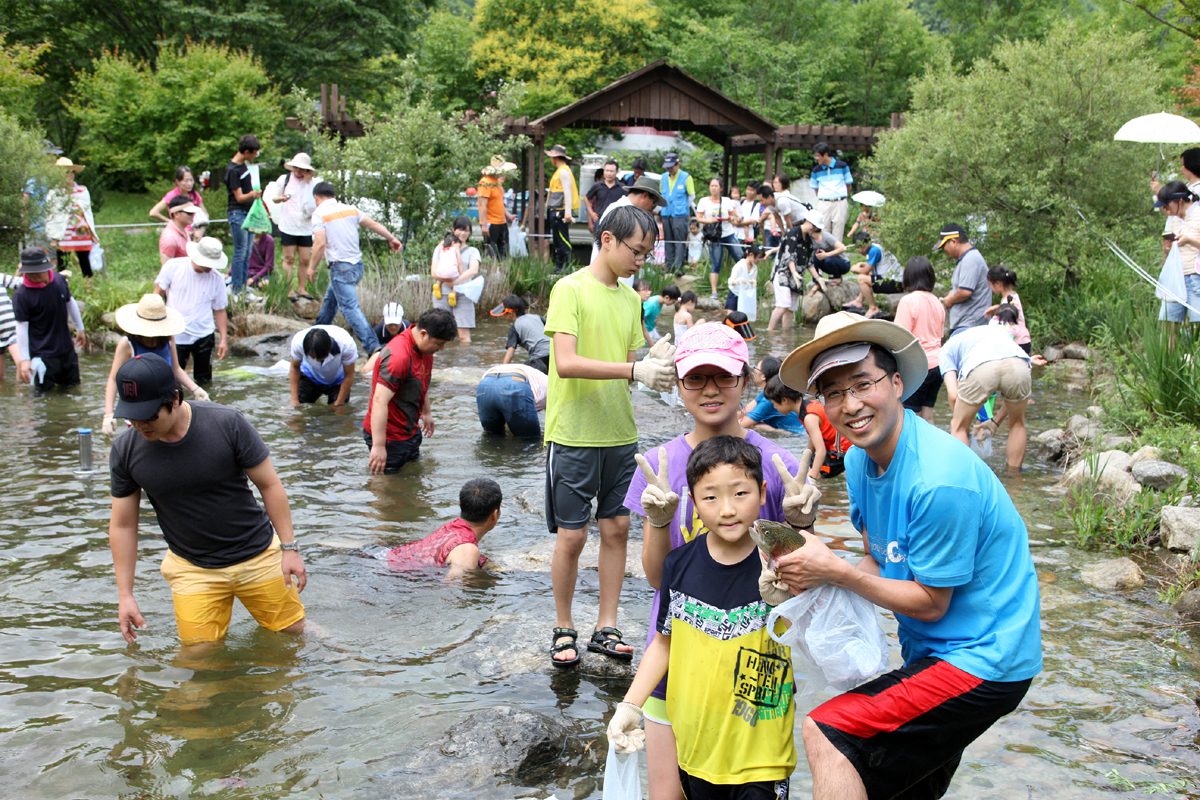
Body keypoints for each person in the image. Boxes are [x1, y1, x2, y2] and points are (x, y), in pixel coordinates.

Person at [773, 311, 1041, 800]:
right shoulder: (858, 461)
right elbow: (880, 559)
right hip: (935, 654)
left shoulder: (939, 480)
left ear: (896, 384)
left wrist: (837, 571)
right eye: (833, 392)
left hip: (983, 659)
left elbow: (932, 602)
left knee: (829, 733)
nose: (850, 405)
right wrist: (815, 574)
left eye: (862, 384)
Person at [609, 435, 802, 799]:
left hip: (762, 755)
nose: (727, 509)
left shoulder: (781, 559)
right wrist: (631, 704)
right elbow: (663, 644)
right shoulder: (678, 564)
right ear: (693, 503)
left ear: (763, 493)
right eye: (711, 497)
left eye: (740, 493)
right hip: (695, 751)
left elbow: (813, 630)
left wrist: (789, 598)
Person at [543, 205, 677, 669]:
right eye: (636, 251)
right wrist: (635, 368)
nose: (641, 261)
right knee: (572, 537)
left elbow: (625, 371)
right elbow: (566, 362)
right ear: (606, 240)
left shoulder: (630, 299)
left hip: (619, 432)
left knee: (618, 528)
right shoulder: (569, 289)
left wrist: (652, 363)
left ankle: (606, 625)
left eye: (646, 253)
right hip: (574, 433)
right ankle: (564, 627)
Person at [108, 353, 307, 645]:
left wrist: (289, 548)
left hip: (257, 553)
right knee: (199, 659)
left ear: (174, 399)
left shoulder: (227, 424)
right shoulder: (126, 451)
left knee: (294, 635)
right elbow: (123, 526)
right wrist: (125, 595)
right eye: (131, 416)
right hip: (192, 566)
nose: (140, 425)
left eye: (149, 415)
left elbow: (270, 485)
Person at [310, 182, 404, 356]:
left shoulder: (319, 214)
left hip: (340, 268)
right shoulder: (350, 209)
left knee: (350, 309)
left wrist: (311, 267)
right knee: (331, 301)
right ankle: (315, 334)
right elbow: (374, 224)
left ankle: (372, 347)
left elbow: (320, 243)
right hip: (357, 267)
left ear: (316, 197)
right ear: (333, 195)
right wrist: (392, 238)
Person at [364, 308, 457, 474]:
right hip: (389, 437)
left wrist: (426, 413)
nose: (441, 348)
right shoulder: (399, 357)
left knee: (412, 478)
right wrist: (379, 446)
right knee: (387, 486)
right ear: (423, 333)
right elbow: (379, 401)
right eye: (439, 343)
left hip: (409, 430)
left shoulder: (425, 349)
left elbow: (423, 381)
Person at [102, 294, 208, 435]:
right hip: (140, 407)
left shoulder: (168, 339)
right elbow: (113, 379)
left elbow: (175, 369)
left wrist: (195, 389)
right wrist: (108, 414)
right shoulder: (127, 345)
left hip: (167, 406)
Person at [939, 322, 1033, 472]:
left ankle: (965, 479)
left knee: (958, 427)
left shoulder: (947, 349)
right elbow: (1011, 401)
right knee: (1017, 424)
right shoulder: (994, 331)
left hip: (981, 366)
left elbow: (953, 396)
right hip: (1018, 363)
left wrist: (963, 424)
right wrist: (995, 422)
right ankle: (1014, 480)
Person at [370, 478, 501, 576]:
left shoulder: (451, 527)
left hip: (377, 556)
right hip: (382, 572)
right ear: (494, 515)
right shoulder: (467, 549)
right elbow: (455, 589)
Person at [153, 237, 229, 386]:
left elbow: (220, 310)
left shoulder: (217, 278)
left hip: (204, 334)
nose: (210, 267)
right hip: (175, 334)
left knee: (204, 380)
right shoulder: (174, 266)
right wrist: (155, 323)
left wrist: (224, 339)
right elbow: (157, 294)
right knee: (172, 379)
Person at [12, 247, 85, 390]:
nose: (33, 276)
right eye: (30, 272)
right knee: (43, 398)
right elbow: (21, 328)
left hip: (66, 350)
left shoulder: (59, 280)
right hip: (41, 356)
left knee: (72, 389)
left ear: (47, 268)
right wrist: (25, 359)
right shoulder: (22, 295)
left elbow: (70, 302)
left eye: (37, 272)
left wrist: (80, 328)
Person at [763, 375, 850, 478]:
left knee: (814, 475)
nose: (774, 407)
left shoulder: (809, 417)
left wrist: (812, 476)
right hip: (834, 448)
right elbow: (812, 438)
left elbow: (821, 451)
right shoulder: (808, 406)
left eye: (774, 403)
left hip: (840, 452)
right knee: (806, 469)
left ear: (785, 400)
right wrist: (807, 460)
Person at [893, 256, 945, 422]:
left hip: (919, 366)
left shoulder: (908, 301)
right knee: (927, 414)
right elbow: (940, 336)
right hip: (939, 363)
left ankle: (910, 448)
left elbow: (899, 339)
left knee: (909, 417)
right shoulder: (937, 302)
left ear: (908, 277)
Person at [265, 152, 318, 299]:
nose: (298, 171)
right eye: (296, 167)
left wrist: (308, 181)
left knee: (305, 259)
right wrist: (280, 199)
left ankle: (302, 288)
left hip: (306, 226)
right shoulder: (285, 179)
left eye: (302, 168)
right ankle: (289, 289)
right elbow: (274, 198)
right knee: (289, 258)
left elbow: (315, 201)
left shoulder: (313, 182)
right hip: (288, 225)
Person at [590, 174, 667, 267]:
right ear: (645, 196)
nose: (652, 207)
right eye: (653, 202)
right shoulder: (621, 211)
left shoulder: (625, 209)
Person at [45, 157, 99, 278]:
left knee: (85, 262)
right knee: (62, 264)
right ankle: (62, 290)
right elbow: (52, 214)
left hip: (81, 232)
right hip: (62, 233)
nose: (69, 175)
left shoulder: (82, 190)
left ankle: (89, 290)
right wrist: (53, 236)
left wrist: (93, 233)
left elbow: (85, 210)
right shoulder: (54, 192)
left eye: (71, 172)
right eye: (65, 172)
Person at [934, 222, 990, 335]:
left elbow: (965, 291)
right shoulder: (966, 259)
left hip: (969, 327)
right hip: (965, 326)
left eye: (945, 245)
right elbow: (959, 289)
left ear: (954, 241)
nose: (944, 250)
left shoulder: (970, 260)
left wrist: (949, 300)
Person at [432, 217, 482, 344]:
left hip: (463, 295)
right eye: (460, 230)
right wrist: (446, 281)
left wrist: (453, 283)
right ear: (453, 230)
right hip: (442, 294)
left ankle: (462, 362)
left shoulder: (472, 251)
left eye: (466, 230)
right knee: (439, 334)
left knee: (464, 337)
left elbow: (473, 271)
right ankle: (443, 362)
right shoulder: (440, 247)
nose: (463, 233)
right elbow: (433, 271)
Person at [1156, 181, 1200, 324]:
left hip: (1195, 277)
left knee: (1196, 323)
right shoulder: (1174, 221)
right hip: (1176, 277)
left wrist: (1190, 241)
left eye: (1167, 205)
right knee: (1168, 322)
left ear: (1180, 200)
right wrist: (1167, 250)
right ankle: (1167, 348)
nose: (1165, 209)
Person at [224, 134, 263, 292]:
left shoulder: (244, 167)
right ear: (246, 151)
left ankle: (242, 285)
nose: (255, 156)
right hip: (238, 213)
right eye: (255, 153)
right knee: (240, 252)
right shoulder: (233, 170)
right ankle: (236, 288)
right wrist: (253, 194)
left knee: (247, 251)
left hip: (249, 213)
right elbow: (239, 197)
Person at [289, 325, 357, 407]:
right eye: (313, 357)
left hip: (338, 380)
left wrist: (338, 403)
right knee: (298, 408)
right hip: (310, 376)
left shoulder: (346, 344)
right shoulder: (298, 343)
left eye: (321, 358)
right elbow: (294, 368)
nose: (317, 360)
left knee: (338, 413)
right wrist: (294, 400)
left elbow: (349, 375)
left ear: (329, 349)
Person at [697, 177, 744, 297]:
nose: (713, 188)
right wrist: (711, 220)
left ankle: (742, 285)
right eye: (711, 185)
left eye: (716, 186)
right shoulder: (703, 201)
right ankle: (714, 291)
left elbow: (735, 217)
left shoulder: (727, 201)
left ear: (721, 188)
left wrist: (730, 218)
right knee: (716, 263)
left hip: (728, 233)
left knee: (741, 258)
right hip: (714, 236)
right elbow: (699, 218)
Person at [476, 362, 548, 439]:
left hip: (486, 381)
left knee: (492, 436)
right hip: (515, 383)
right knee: (530, 440)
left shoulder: (530, 373)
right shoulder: (548, 381)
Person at [739, 356, 805, 434]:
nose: (753, 371)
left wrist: (759, 425)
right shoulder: (766, 393)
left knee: (754, 425)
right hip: (799, 430)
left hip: (797, 435)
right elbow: (743, 412)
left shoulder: (769, 400)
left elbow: (742, 424)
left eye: (756, 368)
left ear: (763, 376)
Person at [845, 232, 902, 318]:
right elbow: (870, 267)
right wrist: (862, 264)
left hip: (894, 283)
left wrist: (855, 268)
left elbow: (865, 271)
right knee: (868, 276)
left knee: (861, 279)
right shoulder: (873, 248)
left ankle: (873, 308)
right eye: (858, 247)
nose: (860, 250)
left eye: (861, 247)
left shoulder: (875, 250)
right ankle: (859, 301)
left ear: (867, 243)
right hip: (889, 280)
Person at [491, 294, 550, 373]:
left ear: (510, 314)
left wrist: (501, 372)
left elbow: (509, 354)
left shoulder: (515, 328)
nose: (504, 317)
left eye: (504, 314)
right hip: (555, 354)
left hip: (539, 359)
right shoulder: (537, 317)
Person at [659, 153, 696, 275]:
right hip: (666, 213)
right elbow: (661, 194)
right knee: (668, 240)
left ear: (678, 165)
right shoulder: (663, 177)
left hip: (680, 214)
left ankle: (679, 267)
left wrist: (683, 207)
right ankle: (669, 266)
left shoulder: (686, 177)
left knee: (679, 241)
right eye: (667, 167)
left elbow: (691, 196)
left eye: (671, 166)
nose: (669, 169)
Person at [799, 210, 851, 293]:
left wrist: (826, 254)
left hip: (843, 264)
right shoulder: (809, 238)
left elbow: (843, 248)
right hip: (828, 265)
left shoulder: (826, 236)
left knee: (828, 259)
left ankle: (837, 277)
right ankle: (817, 281)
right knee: (813, 259)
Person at [810, 142, 854, 242]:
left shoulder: (842, 166)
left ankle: (836, 256)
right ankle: (824, 255)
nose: (816, 158)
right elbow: (815, 189)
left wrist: (842, 197)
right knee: (823, 230)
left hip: (839, 202)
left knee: (838, 230)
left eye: (818, 156)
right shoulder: (816, 170)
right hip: (824, 203)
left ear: (825, 154)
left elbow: (849, 185)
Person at [545, 144, 578, 273]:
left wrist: (568, 212)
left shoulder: (564, 172)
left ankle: (565, 265)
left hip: (561, 211)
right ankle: (559, 265)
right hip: (556, 209)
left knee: (563, 240)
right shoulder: (560, 171)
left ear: (555, 157)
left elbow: (567, 192)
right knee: (557, 240)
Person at [983, 265, 1031, 353]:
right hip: (1021, 341)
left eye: (990, 284)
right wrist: (997, 307)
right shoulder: (1012, 296)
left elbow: (1010, 314)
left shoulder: (1010, 300)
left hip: (1018, 343)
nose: (990, 287)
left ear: (998, 283)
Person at [479, 156, 518, 259]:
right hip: (491, 222)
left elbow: (499, 203)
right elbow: (483, 205)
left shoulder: (498, 182)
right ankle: (490, 273)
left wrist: (509, 216)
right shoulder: (485, 182)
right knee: (491, 251)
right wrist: (484, 225)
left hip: (501, 221)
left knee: (504, 250)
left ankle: (502, 273)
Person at [586, 159, 628, 232]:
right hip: (600, 220)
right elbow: (586, 198)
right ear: (604, 171)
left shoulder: (622, 187)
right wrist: (591, 213)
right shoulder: (597, 185)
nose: (609, 173)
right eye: (607, 171)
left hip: (616, 222)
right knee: (599, 243)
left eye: (611, 171)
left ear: (616, 172)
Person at [158, 195, 199, 265]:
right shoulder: (169, 238)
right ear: (176, 214)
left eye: (194, 212)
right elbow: (167, 269)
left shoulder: (184, 229)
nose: (193, 215)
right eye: (189, 213)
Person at [725, 244, 761, 318]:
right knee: (730, 317)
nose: (759, 260)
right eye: (758, 258)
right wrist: (737, 281)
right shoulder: (740, 265)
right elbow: (730, 281)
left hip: (745, 296)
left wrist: (753, 283)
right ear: (751, 254)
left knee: (742, 318)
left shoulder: (754, 268)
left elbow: (752, 281)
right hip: (735, 293)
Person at [0, 271, 22, 381]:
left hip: (12, 330)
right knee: (0, 377)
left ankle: (20, 395)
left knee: (21, 362)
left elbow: (20, 282)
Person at [431, 229, 463, 306]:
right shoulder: (455, 250)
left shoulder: (441, 249)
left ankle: (437, 285)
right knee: (458, 280)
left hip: (440, 274)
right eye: (458, 244)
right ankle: (453, 293)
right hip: (452, 274)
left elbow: (440, 244)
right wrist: (461, 273)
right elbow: (459, 263)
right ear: (453, 243)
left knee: (441, 272)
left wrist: (444, 241)